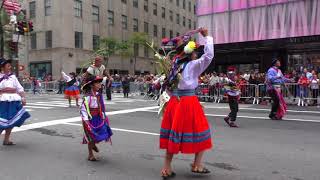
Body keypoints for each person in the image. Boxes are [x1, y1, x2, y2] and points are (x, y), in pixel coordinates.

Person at [160, 28, 214, 178]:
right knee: (201, 131)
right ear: (191, 53)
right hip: (188, 102)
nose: (197, 53)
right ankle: (197, 164)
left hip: (174, 102)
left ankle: (166, 167)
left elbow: (169, 86)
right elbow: (209, 56)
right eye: (195, 50)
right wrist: (207, 37)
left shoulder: (173, 66)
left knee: (174, 133)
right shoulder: (193, 65)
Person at [80, 75, 113, 161]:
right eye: (97, 83)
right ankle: (90, 154)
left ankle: (93, 144)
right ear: (91, 85)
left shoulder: (99, 95)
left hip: (98, 118)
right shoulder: (87, 97)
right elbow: (83, 109)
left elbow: (102, 107)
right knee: (90, 136)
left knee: (103, 132)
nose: (99, 85)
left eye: (100, 83)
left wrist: (103, 115)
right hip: (90, 119)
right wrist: (86, 121)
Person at [0, 58, 30, 145]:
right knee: (2, 121)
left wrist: (23, 98)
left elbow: (19, 88)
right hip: (3, 101)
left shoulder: (13, 77)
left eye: (10, 66)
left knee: (12, 121)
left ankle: (6, 140)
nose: (10, 67)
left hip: (14, 101)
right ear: (2, 67)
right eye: (8, 66)